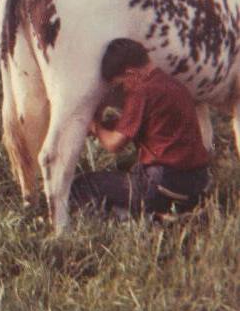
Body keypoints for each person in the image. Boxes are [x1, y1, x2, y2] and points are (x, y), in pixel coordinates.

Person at [71, 38, 211, 220]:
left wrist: (95, 124)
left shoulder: (142, 91)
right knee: (123, 167)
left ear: (131, 73)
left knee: (82, 185)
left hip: (163, 185)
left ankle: (145, 217)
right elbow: (151, 126)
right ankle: (177, 210)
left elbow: (113, 144)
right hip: (197, 183)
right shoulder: (173, 84)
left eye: (121, 84)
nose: (123, 90)